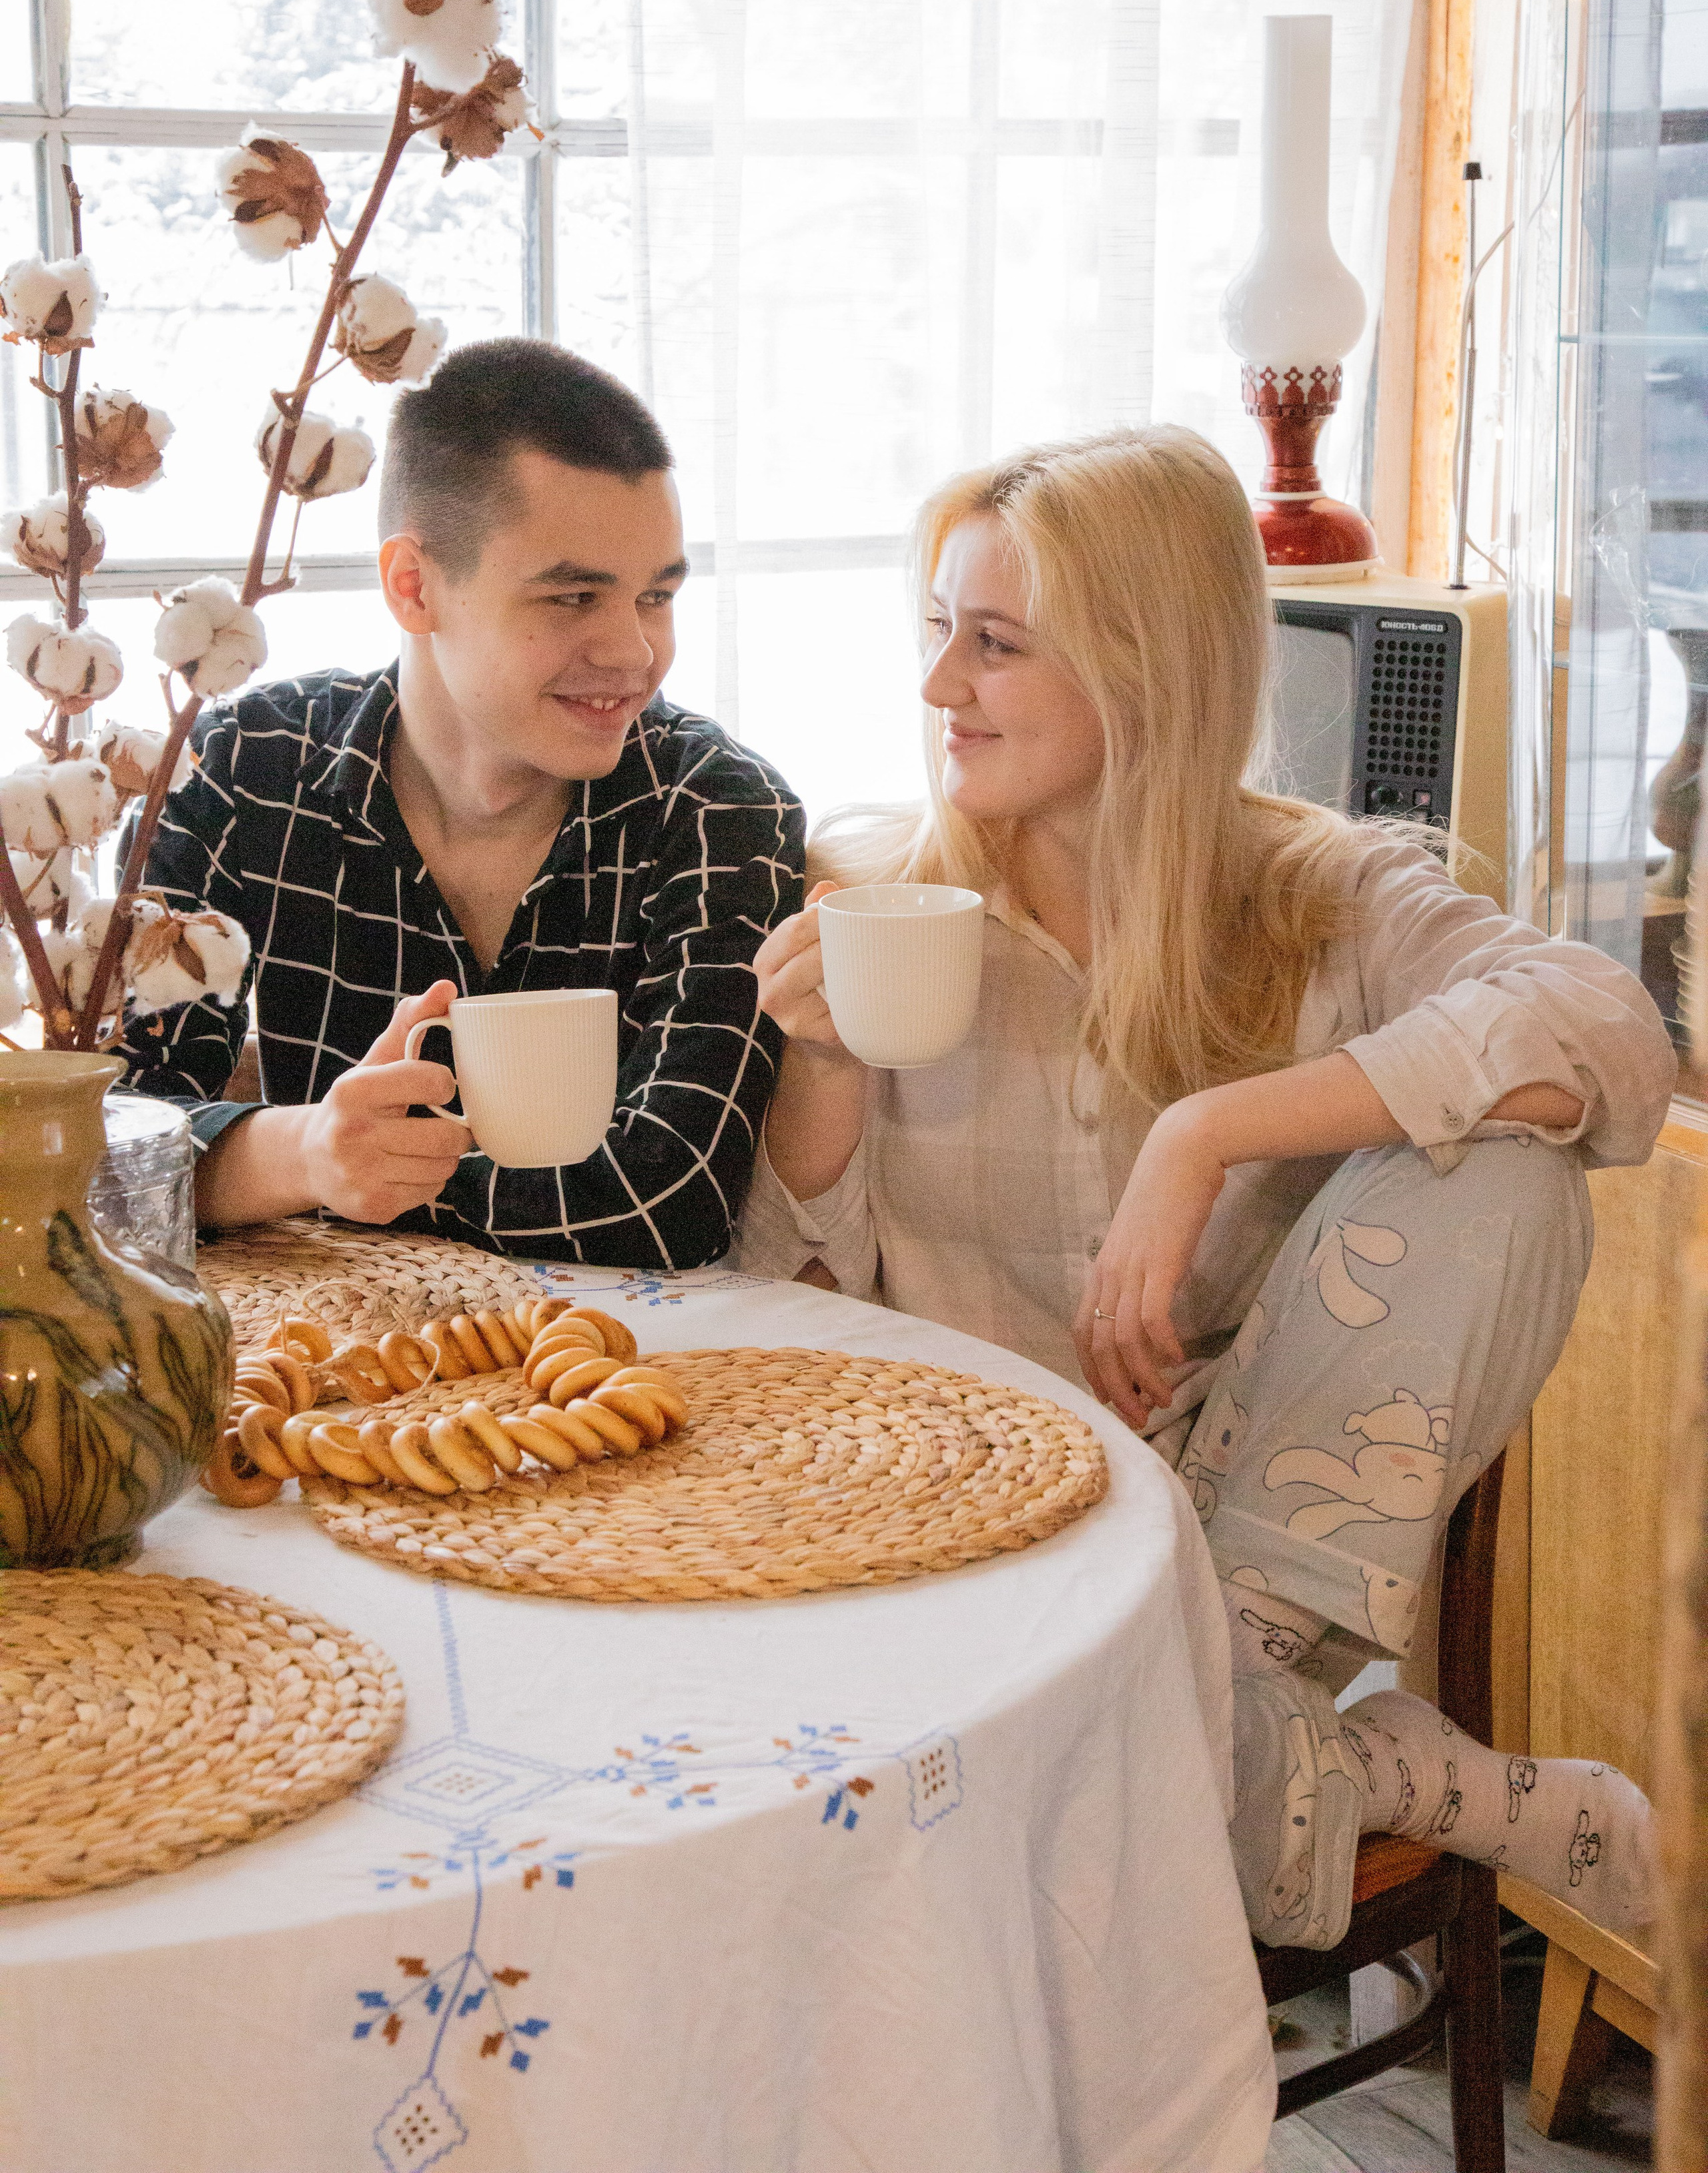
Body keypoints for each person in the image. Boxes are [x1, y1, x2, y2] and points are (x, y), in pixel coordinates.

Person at [739, 426, 1676, 1951]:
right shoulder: (868, 898)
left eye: (992, 645)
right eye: (934, 633)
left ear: (1145, 669)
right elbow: (783, 1346)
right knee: (1033, 1772)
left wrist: (1209, 1135)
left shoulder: (1332, 895)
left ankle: (1214, 1677)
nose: (936, 691)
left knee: (1508, 1170)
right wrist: (826, 1074)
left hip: (1244, 1541)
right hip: (977, 1555)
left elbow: (1604, 1029)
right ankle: (1372, 1769)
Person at [118, 338, 804, 1269]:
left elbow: (669, 1200)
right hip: (317, 1369)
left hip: (637, 1381)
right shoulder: (238, 771)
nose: (636, 653)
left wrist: (323, 1179)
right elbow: (106, 1136)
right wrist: (310, 1152)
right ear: (413, 586)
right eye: (572, 598)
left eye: (656, 596)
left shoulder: (717, 810)